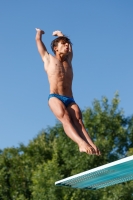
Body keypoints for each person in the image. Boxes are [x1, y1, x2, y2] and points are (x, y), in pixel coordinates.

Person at [35, 28, 101, 156]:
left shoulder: (68, 60)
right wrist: (39, 33)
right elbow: (38, 42)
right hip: (55, 97)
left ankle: (91, 145)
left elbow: (70, 46)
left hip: (70, 99)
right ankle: (81, 144)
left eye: (67, 44)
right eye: (63, 44)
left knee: (78, 120)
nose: (66, 46)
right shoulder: (48, 59)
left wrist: (61, 35)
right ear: (56, 48)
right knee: (65, 117)